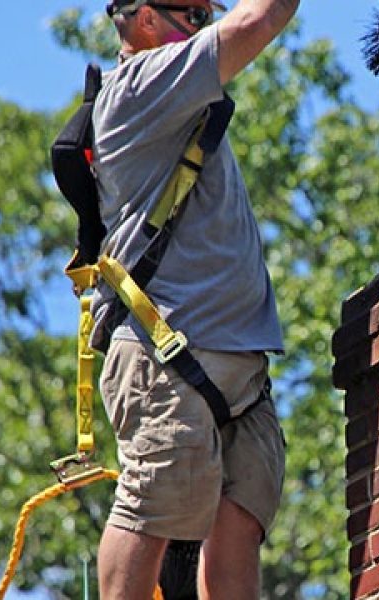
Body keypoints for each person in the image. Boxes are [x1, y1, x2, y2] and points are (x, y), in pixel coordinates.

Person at [89, 1, 298, 598]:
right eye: (195, 14)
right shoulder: (139, 86)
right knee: (155, 502)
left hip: (240, 369)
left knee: (239, 520)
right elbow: (253, 24)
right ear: (147, 20)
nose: (206, 27)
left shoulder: (181, 100)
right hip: (167, 352)